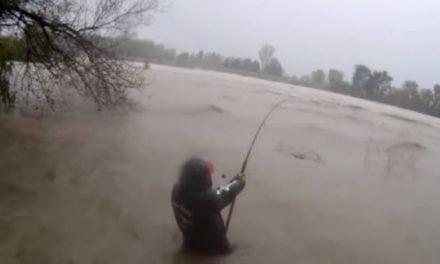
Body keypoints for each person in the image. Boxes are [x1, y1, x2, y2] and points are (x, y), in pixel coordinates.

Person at [171, 157, 246, 254]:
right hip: (211, 247)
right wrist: (239, 180)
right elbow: (227, 192)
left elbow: (215, 194)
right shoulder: (209, 200)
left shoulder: (176, 190)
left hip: (190, 240)